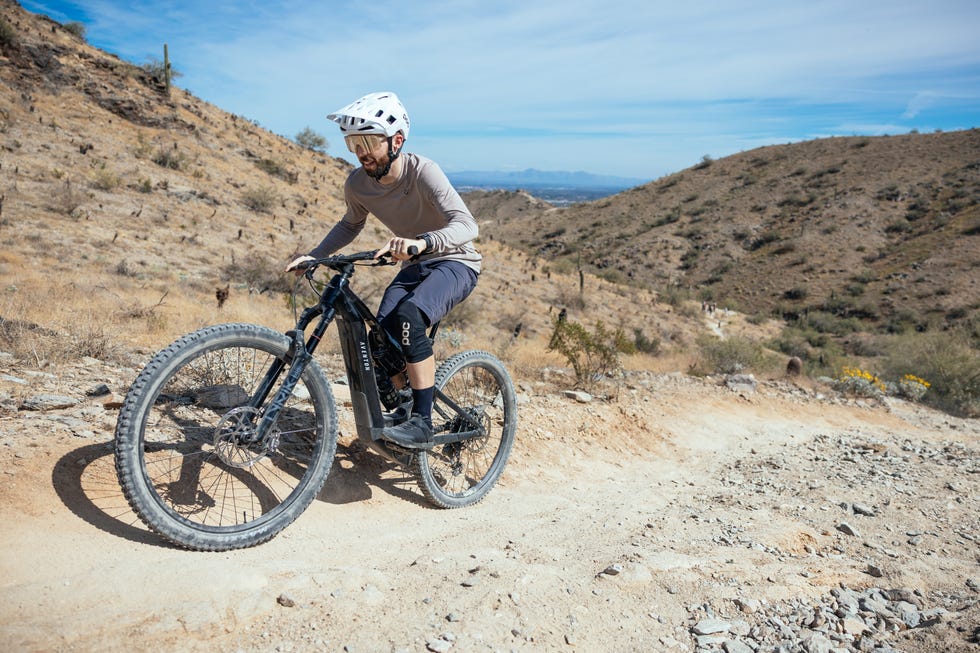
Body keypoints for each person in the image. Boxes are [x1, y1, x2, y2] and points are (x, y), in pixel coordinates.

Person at [285, 91, 481, 449]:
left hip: (455, 262)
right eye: (352, 144)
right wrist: (314, 256)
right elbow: (350, 224)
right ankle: (404, 407)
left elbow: (468, 225)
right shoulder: (358, 184)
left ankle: (422, 423)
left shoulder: (423, 172)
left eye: (367, 143)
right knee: (380, 341)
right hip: (414, 265)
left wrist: (422, 242)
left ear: (397, 141)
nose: (360, 153)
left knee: (408, 317)